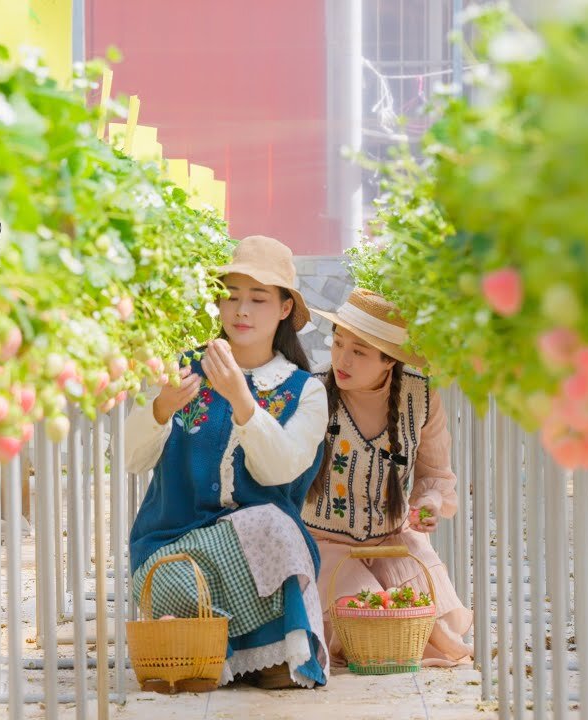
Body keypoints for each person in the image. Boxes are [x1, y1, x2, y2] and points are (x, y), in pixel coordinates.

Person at [125, 235, 330, 692]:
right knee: (174, 585)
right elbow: (131, 458)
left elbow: (281, 469)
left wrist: (242, 400)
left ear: (283, 310)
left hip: (258, 557)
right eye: (231, 296)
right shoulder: (185, 369)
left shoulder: (305, 392)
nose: (241, 310)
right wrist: (159, 408)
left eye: (258, 299)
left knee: (273, 527)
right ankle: (215, 650)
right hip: (172, 554)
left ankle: (239, 651)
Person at [305, 287, 473, 668]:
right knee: (368, 620)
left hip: (393, 539)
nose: (341, 359)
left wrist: (428, 504)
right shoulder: (311, 390)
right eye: (338, 343)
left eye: (359, 351)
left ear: (388, 361)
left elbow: (434, 473)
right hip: (324, 542)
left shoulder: (421, 397)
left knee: (431, 621)